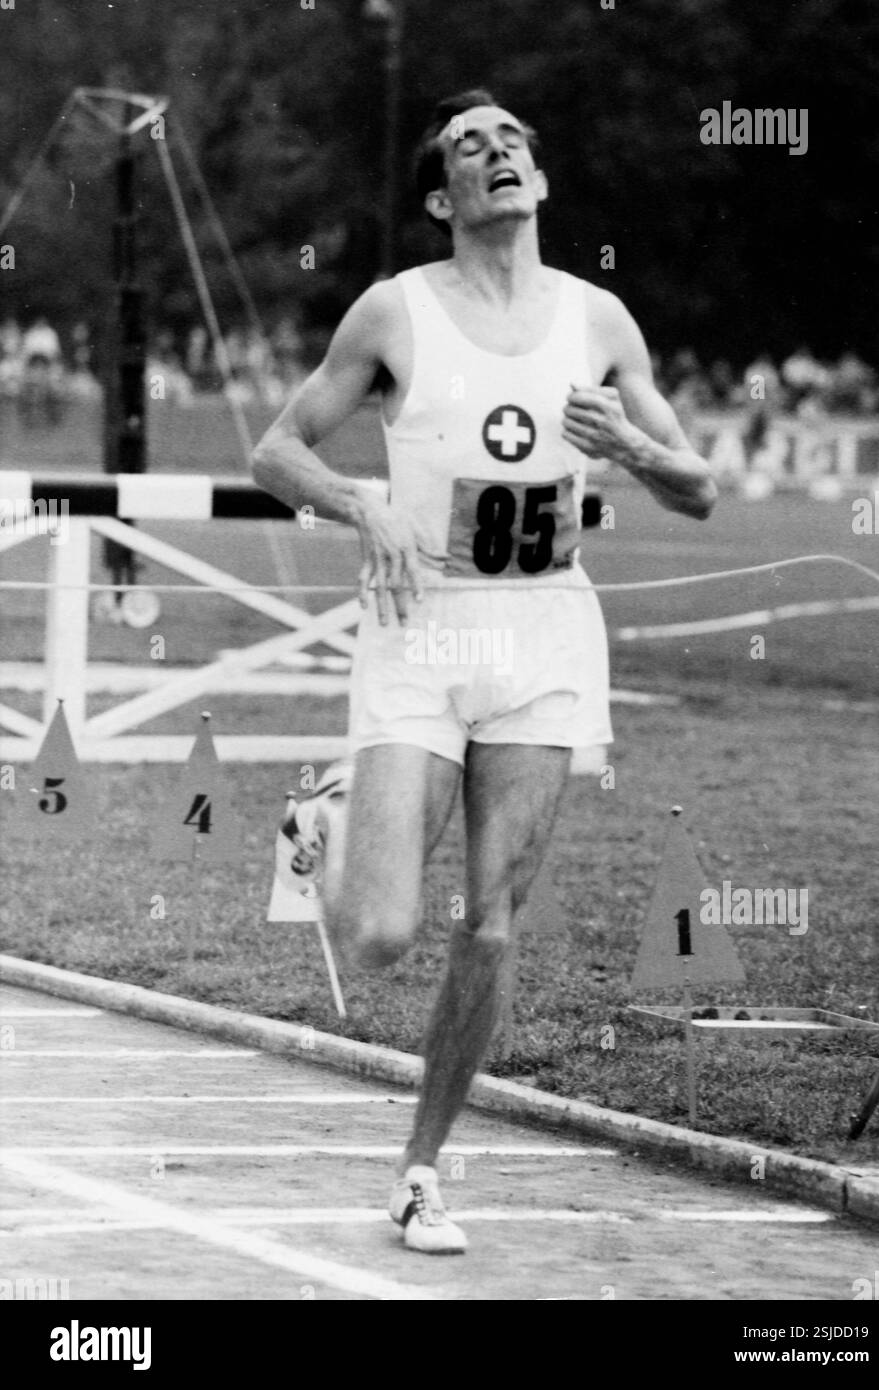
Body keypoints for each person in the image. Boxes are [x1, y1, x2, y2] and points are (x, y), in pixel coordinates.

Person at [253, 89, 716, 1255]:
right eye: (471, 145)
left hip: (546, 631)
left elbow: (697, 483)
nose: (498, 153)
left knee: (494, 919)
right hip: (422, 624)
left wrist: (634, 447)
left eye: (512, 140)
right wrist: (356, 496)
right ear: (438, 198)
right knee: (379, 932)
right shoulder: (395, 312)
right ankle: (329, 816)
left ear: (539, 181)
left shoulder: (599, 321)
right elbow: (276, 447)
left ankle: (419, 1171)